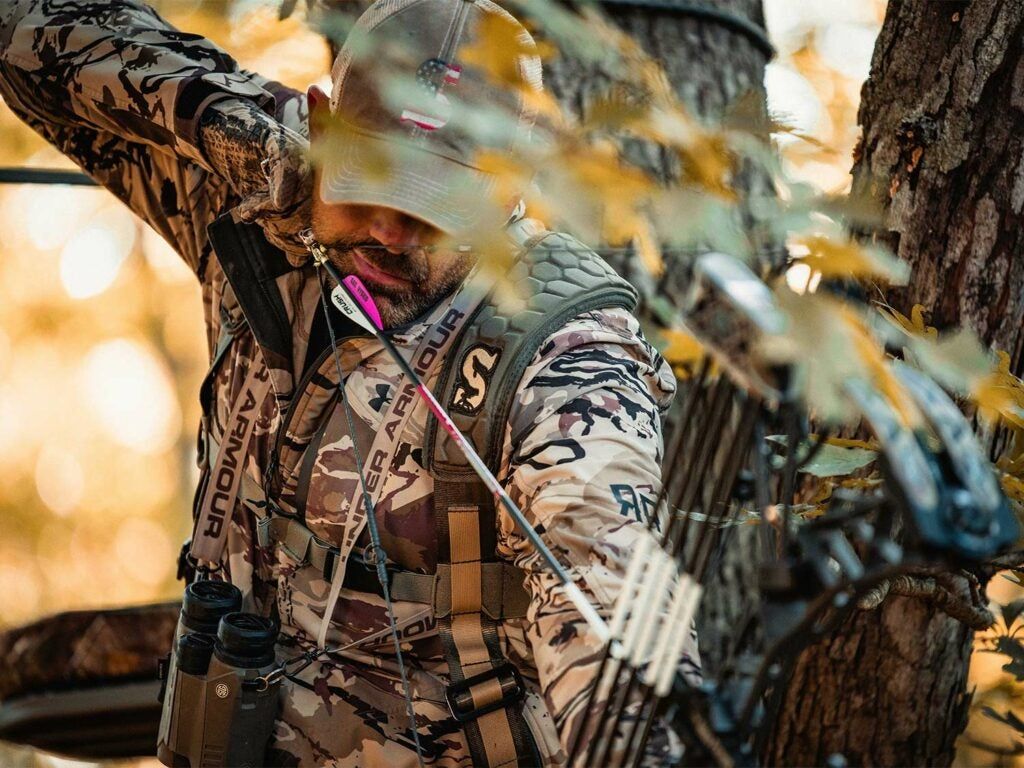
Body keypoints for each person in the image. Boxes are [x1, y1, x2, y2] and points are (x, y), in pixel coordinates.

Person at [0, 0, 699, 764]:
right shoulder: (259, 205)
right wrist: (220, 120)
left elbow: (618, 627)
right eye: (371, 181)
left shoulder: (568, 364)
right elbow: (29, 33)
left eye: (435, 204)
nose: (388, 232)